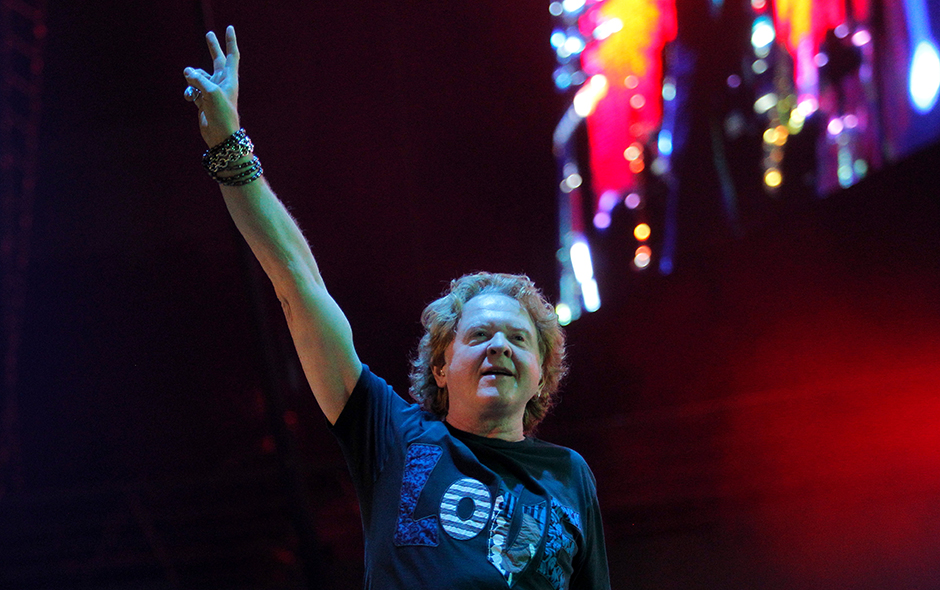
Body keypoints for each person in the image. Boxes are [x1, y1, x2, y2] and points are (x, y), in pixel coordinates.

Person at [183, 26, 610, 590]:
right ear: (440, 366)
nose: (500, 346)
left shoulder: (570, 476)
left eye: (518, 338)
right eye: (479, 335)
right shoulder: (391, 434)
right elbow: (298, 283)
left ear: (540, 376)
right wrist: (228, 143)